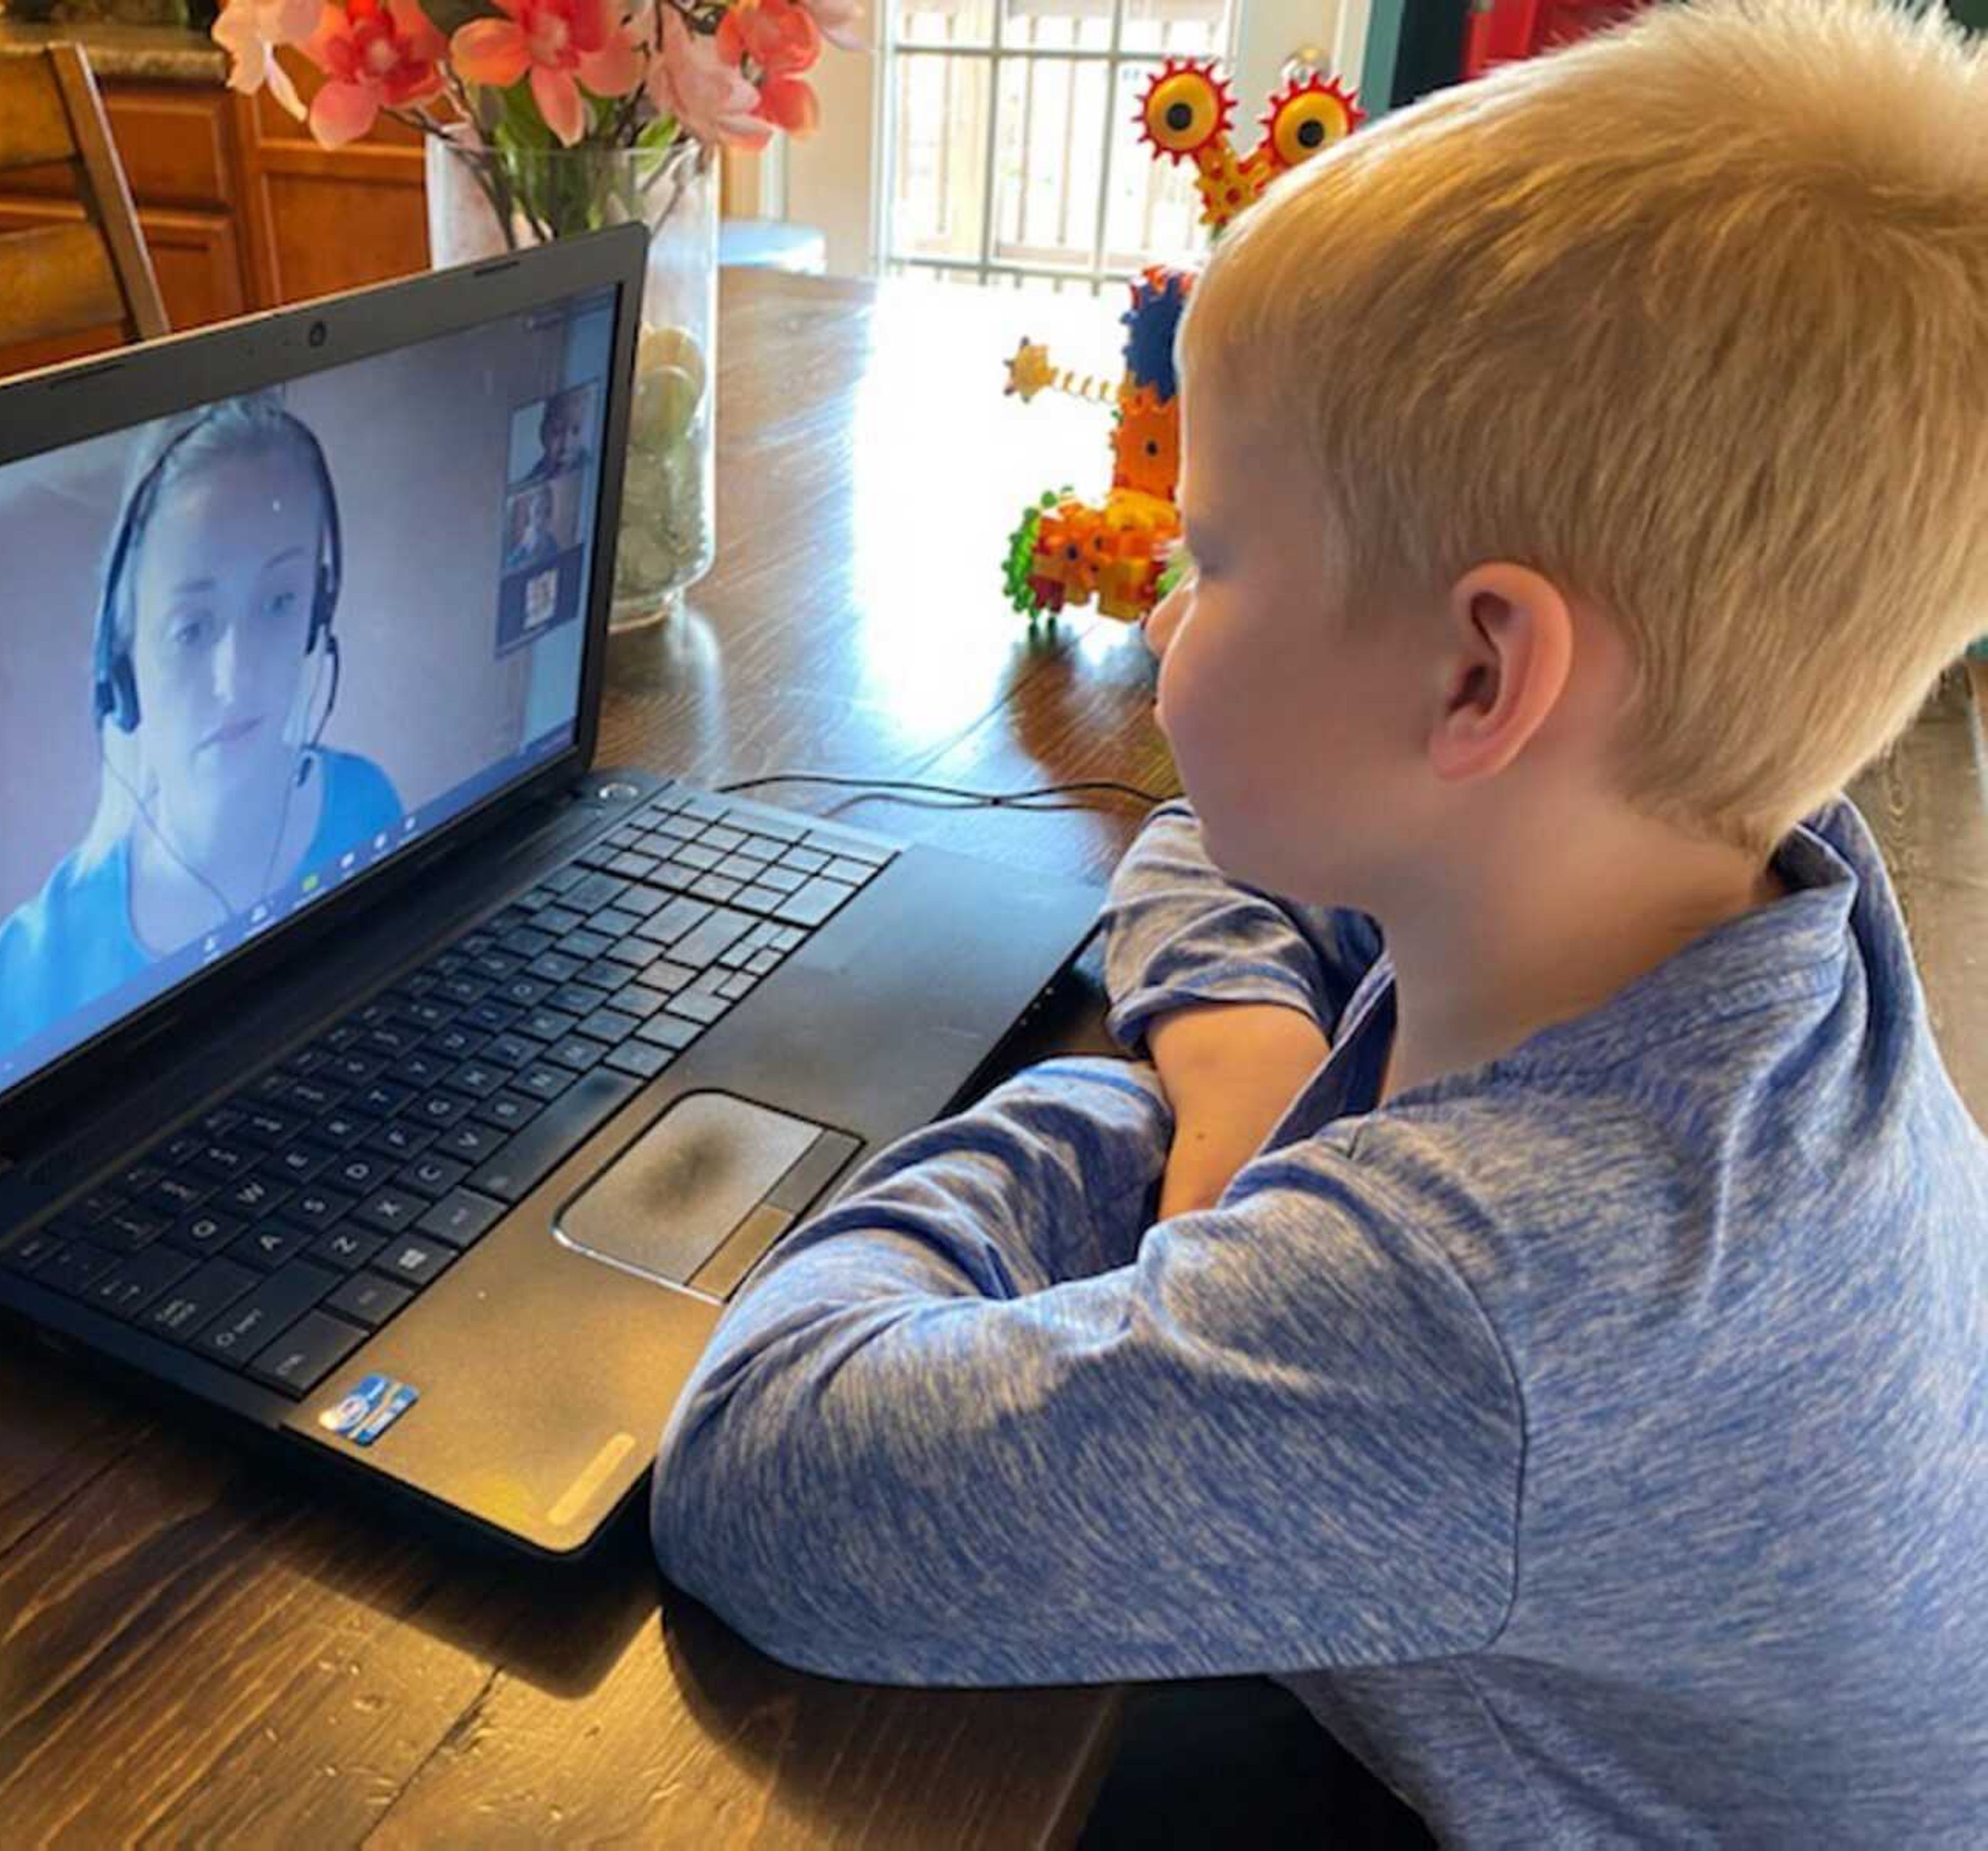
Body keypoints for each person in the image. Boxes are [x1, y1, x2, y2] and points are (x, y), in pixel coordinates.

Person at [647, 1, 1988, 1842]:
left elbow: (763, 1478)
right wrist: (1242, 1062)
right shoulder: (1716, 874)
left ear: (1479, 672)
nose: (1169, 632)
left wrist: (1116, 1118)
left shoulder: (1480, 1301)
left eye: (1209, 560)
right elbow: (1216, 849)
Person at [0, 396, 402, 1102]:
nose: (237, 680)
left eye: (280, 604)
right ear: (122, 666)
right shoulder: (13, 991)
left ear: (320, 616)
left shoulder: (369, 804)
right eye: (192, 628)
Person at [517, 386, 592, 486]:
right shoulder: (530, 482)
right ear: (543, 432)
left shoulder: (591, 467)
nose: (566, 446)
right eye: (557, 432)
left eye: (576, 431)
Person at [505, 487, 558, 572]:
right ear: (530, 510)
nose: (541, 520)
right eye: (537, 511)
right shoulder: (520, 547)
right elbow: (507, 570)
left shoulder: (553, 545)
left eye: (547, 513)